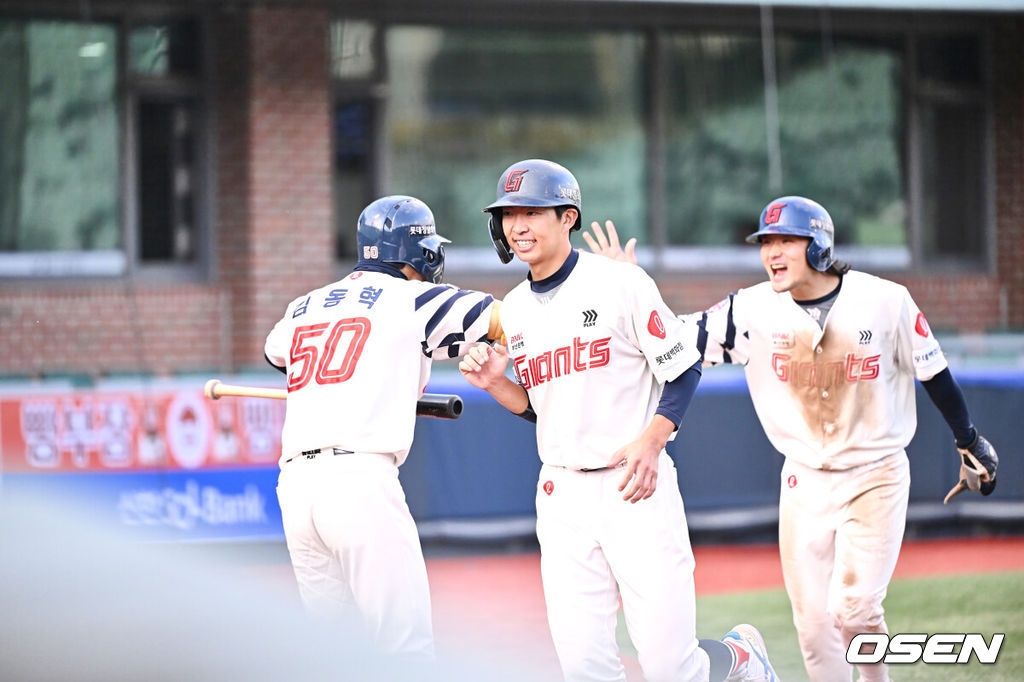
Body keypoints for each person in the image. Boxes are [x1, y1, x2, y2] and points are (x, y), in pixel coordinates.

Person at [582, 197, 999, 682]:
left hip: (876, 475)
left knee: (855, 609)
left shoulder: (886, 300)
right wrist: (634, 287)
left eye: (787, 241)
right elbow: (674, 341)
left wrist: (969, 440)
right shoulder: (750, 308)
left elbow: (936, 376)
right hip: (803, 480)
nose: (773, 253)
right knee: (815, 629)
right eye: (766, 243)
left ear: (818, 245)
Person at [459, 158, 779, 682]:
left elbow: (683, 366)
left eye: (532, 211)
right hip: (562, 493)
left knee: (671, 668)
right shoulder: (512, 309)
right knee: (584, 664)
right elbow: (546, 408)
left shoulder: (619, 283)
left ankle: (741, 659)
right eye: (508, 214)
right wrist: (498, 383)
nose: (518, 225)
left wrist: (653, 441)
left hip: (635, 486)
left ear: (567, 217)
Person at [263, 195, 501, 661]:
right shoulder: (414, 298)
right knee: (405, 648)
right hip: (358, 484)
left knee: (339, 655)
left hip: (297, 488)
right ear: (417, 252)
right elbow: (502, 321)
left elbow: (277, 353)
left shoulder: (303, 304)